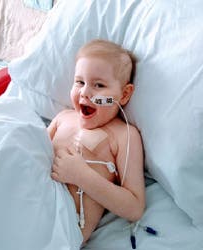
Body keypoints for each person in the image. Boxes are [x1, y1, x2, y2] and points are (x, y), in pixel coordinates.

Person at [47, 39, 145, 243]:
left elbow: (134, 207)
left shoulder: (123, 135)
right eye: (79, 82)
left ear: (124, 95)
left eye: (99, 85)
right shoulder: (63, 118)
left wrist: (81, 176)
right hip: (32, 197)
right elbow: (32, 150)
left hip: (60, 228)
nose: (84, 92)